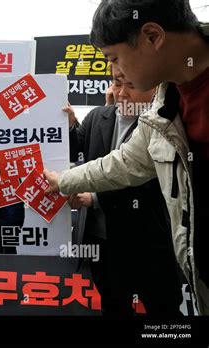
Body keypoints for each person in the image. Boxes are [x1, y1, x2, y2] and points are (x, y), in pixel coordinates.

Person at [44, 0, 209, 315]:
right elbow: (125, 163)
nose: (115, 77)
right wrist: (63, 180)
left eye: (115, 59)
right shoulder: (165, 108)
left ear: (152, 37)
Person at [65, 67, 181, 315]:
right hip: (103, 242)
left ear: (155, 89)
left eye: (132, 86)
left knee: (164, 309)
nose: (122, 93)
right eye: (117, 83)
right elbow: (77, 150)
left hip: (148, 241)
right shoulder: (99, 116)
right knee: (114, 305)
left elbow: (149, 183)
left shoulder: (162, 125)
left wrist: (95, 198)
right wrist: (69, 126)